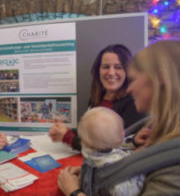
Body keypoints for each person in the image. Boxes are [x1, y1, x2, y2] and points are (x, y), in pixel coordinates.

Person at [57, 39, 180, 196]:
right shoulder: (154, 130)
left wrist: (74, 192)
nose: (130, 88)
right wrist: (94, 173)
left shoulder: (175, 165)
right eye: (105, 67)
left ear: (159, 82)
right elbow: (133, 162)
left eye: (134, 79)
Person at [49, 44, 146, 150]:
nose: (111, 72)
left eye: (118, 67)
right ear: (98, 70)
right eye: (105, 67)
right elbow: (93, 135)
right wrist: (69, 131)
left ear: (128, 71)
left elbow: (114, 149)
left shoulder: (135, 104)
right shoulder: (97, 97)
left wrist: (68, 138)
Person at [78, 107, 144, 196]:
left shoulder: (91, 149)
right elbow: (126, 192)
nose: (124, 132)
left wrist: (133, 143)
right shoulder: (112, 168)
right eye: (121, 130)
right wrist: (141, 174)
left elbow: (117, 147)